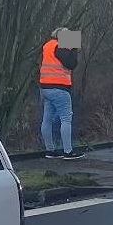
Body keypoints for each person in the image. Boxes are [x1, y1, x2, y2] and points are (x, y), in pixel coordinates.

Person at [39, 30, 82, 158]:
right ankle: (68, 151)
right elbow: (72, 64)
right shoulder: (60, 46)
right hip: (59, 88)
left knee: (47, 119)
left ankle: (50, 150)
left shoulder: (47, 46)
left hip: (45, 87)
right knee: (66, 119)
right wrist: (73, 48)